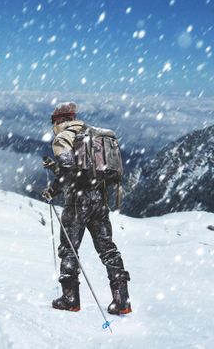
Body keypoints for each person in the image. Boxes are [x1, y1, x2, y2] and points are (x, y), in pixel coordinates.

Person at [42, 101, 132, 315]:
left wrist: (52, 189)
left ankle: (70, 298)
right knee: (108, 248)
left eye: (54, 122)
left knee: (69, 249)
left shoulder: (63, 138)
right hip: (99, 199)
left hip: (77, 202)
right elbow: (86, 170)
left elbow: (68, 172)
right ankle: (122, 300)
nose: (53, 126)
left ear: (60, 121)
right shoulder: (92, 134)